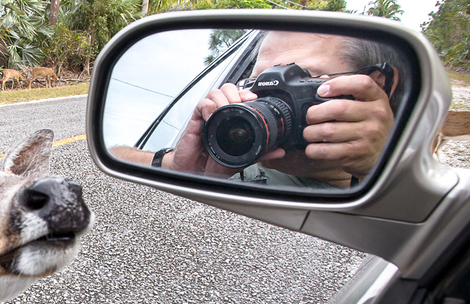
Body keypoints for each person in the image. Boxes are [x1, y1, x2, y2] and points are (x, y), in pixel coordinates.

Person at [115, 31, 401, 188]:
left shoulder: (401, 183)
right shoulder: (234, 163)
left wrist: (382, 167)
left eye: (302, 78)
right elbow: (114, 155)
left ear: (377, 86)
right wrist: (177, 165)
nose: (269, 100)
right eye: (258, 83)